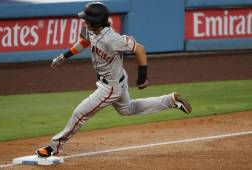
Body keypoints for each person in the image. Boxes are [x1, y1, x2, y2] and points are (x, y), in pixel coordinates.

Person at [36, 1, 192, 157]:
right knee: (127, 109)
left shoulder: (113, 39)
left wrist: (142, 76)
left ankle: (54, 146)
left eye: (87, 19)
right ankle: (170, 101)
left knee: (80, 114)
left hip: (110, 88)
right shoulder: (91, 30)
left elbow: (140, 49)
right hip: (117, 79)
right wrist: (65, 56)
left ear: (95, 22)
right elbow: (85, 41)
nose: (84, 21)